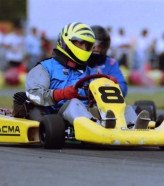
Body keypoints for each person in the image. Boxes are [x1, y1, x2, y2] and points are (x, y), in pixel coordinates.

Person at [13, 22, 147, 129]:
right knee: (74, 103)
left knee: (124, 107)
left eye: (87, 45)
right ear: (67, 41)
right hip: (56, 117)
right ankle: (94, 126)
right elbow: (33, 94)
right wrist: (61, 94)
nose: (83, 48)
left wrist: (109, 85)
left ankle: (133, 126)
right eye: (80, 43)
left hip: (88, 112)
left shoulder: (91, 72)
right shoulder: (45, 67)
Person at [87, 25, 128, 97]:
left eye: (100, 46)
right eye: (93, 45)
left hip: (107, 102)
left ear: (105, 47)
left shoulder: (111, 64)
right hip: (84, 102)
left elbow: (122, 87)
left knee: (129, 108)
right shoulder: (80, 63)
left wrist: (110, 85)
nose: (96, 49)